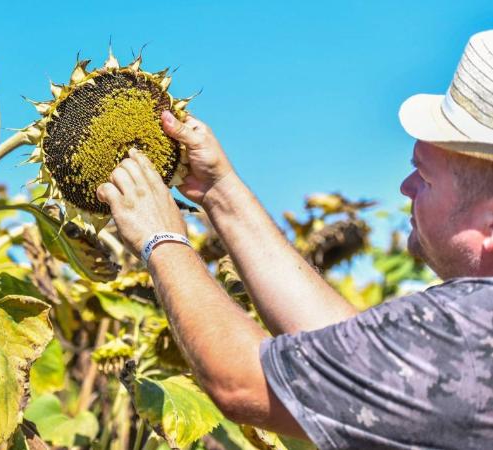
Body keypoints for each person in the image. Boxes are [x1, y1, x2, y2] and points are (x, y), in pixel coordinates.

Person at [96, 30, 493, 449]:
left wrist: (162, 239)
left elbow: (243, 381)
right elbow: (351, 360)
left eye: (426, 177)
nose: (407, 187)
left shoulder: (468, 328)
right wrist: (219, 190)